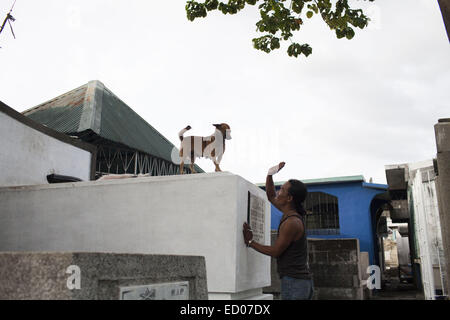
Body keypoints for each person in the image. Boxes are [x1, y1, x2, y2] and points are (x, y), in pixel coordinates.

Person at [243, 162, 314, 300]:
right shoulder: (288, 213)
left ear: (289, 198)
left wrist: (250, 241)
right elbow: (270, 196)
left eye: (281, 190)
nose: (278, 192)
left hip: (295, 283)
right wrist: (270, 174)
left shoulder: (292, 223)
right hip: (297, 282)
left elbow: (276, 251)